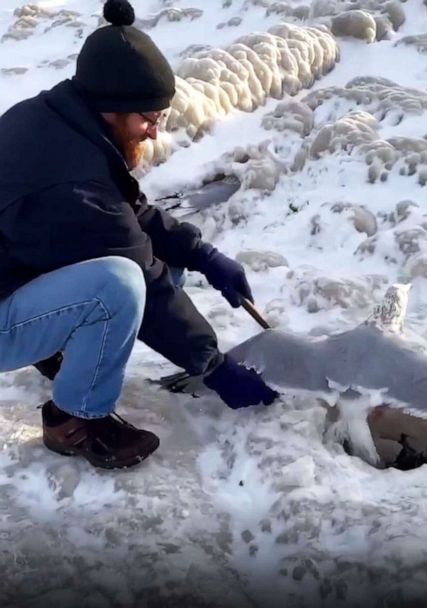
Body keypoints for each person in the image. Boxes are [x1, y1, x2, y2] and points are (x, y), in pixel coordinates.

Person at [0, 0, 278, 470]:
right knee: (121, 285)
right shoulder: (71, 179)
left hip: (14, 274)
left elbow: (128, 214)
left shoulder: (60, 121)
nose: (153, 130)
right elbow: (140, 273)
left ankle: (62, 352)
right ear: (113, 109)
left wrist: (203, 256)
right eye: (148, 117)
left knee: (162, 266)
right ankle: (75, 419)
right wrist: (213, 366)